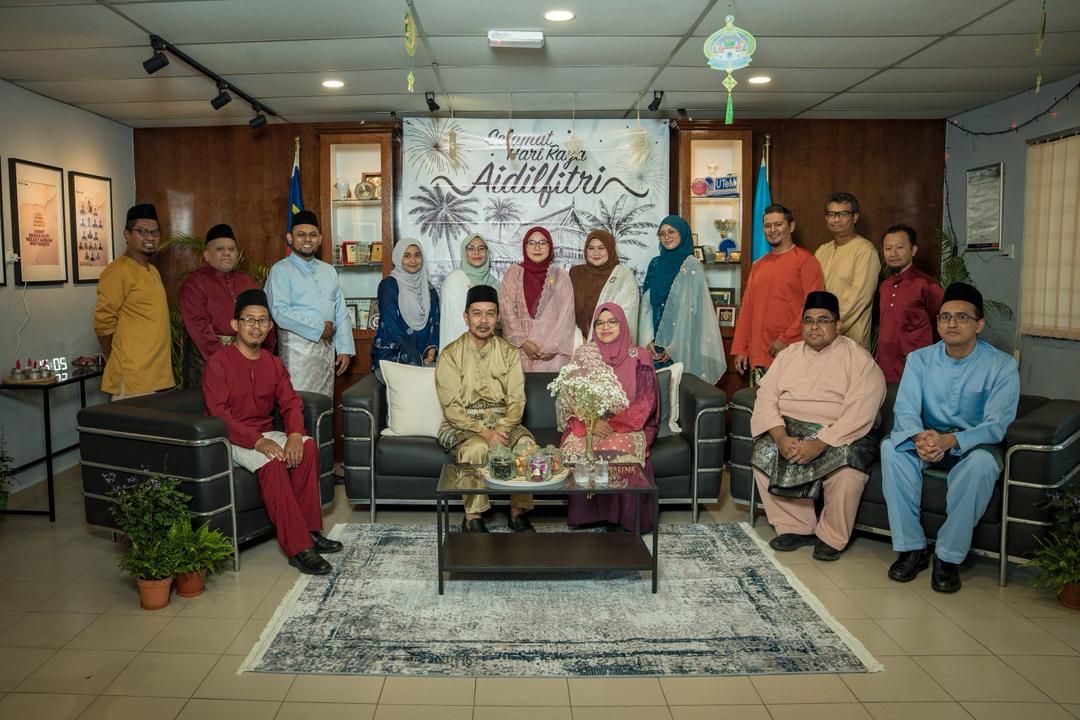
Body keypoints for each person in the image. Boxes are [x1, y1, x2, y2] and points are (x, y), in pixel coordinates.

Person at [882, 282, 1019, 593]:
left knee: (982, 465)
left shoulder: (1002, 366)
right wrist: (920, 438)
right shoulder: (920, 359)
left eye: (961, 317)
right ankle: (911, 548)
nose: (952, 323)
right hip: (928, 441)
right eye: (945, 317)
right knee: (891, 449)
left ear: (979, 324)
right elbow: (905, 409)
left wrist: (951, 441)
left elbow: (997, 425)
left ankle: (947, 556)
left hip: (973, 446)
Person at [202, 289, 342, 575]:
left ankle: (310, 531)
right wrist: (257, 441)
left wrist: (295, 435)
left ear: (269, 327)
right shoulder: (218, 364)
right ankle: (298, 549)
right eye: (249, 320)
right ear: (235, 324)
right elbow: (220, 415)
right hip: (233, 438)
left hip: (265, 432)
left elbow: (290, 402)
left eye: (263, 320)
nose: (256, 326)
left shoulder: (273, 362)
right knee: (273, 460)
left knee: (308, 447)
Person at [750, 291, 886, 561]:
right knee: (763, 452)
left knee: (847, 468)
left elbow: (861, 411)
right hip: (790, 429)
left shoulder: (858, 359)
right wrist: (779, 436)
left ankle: (831, 536)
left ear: (838, 325)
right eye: (809, 320)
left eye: (823, 320)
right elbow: (765, 397)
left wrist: (820, 443)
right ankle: (796, 527)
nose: (814, 327)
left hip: (840, 432)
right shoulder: (788, 355)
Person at [435, 285, 538, 533]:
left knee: (527, 446)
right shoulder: (450, 354)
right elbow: (451, 406)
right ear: (466, 317)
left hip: (504, 422)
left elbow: (517, 399)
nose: (483, 320)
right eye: (477, 313)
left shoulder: (509, 353)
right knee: (477, 448)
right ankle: (473, 516)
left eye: (490, 314)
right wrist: (484, 432)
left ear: (498, 318)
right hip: (462, 424)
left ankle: (518, 512)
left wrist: (501, 429)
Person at [560, 303, 659, 532]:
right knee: (578, 447)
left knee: (617, 448)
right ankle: (589, 516)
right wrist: (592, 423)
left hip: (629, 424)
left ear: (622, 324)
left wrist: (615, 424)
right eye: (600, 323)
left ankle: (623, 518)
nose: (606, 327)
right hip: (590, 422)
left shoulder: (639, 355)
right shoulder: (585, 354)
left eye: (612, 322)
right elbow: (571, 395)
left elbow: (646, 401)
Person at [732, 204, 825, 385]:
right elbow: (747, 309)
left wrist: (786, 339)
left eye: (778, 224)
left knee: (790, 401)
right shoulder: (758, 265)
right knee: (759, 402)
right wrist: (741, 348)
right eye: (768, 226)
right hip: (759, 354)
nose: (772, 230)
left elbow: (813, 308)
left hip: (792, 351)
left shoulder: (806, 261)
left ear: (791, 226)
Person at [265, 210, 353, 398]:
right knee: (299, 403)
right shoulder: (281, 270)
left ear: (320, 239)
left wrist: (345, 348)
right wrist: (319, 327)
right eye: (301, 234)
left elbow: (340, 311)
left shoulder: (329, 271)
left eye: (313, 235)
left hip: (326, 351)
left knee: (325, 402)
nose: (307, 239)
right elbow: (279, 311)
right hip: (297, 354)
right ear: (290, 238)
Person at [178, 223, 274, 388]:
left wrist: (262, 358)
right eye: (220, 249)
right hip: (207, 360)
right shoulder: (194, 283)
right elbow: (199, 328)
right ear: (206, 255)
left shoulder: (246, 281)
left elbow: (265, 320)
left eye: (231, 249)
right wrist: (229, 363)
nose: (227, 253)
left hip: (248, 359)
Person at [93, 203, 173, 400]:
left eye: (155, 232)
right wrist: (113, 359)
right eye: (142, 232)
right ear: (127, 234)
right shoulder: (118, 271)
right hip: (133, 378)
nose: (150, 237)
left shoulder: (152, 270)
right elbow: (103, 322)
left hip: (158, 377)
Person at [639, 215, 726, 384]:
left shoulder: (692, 265)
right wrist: (647, 339)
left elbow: (694, 312)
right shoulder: (655, 264)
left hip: (682, 341)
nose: (666, 237)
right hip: (654, 344)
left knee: (678, 390)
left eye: (671, 232)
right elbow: (647, 304)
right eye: (662, 234)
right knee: (655, 390)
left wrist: (675, 346)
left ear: (683, 233)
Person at [499, 226, 576, 372]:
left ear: (550, 247)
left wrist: (552, 347)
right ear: (524, 247)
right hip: (519, 350)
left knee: (551, 386)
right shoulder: (513, 274)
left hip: (553, 355)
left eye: (542, 243)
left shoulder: (560, 277)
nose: (537, 247)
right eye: (531, 243)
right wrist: (523, 342)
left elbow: (567, 316)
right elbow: (506, 311)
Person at [875, 224, 944, 384]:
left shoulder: (928, 285)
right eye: (888, 248)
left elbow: (940, 330)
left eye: (900, 247)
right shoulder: (884, 286)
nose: (893, 253)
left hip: (916, 370)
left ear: (913, 250)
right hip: (885, 369)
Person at [814, 192, 880, 350]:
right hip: (820, 336)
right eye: (831, 214)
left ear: (855, 217)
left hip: (851, 340)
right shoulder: (822, 251)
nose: (836, 219)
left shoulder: (865, 251)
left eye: (843, 214)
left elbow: (859, 300)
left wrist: (829, 326)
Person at [371, 239, 440, 374]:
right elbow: (390, 326)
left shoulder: (429, 290)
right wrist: (414, 359)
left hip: (424, 359)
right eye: (407, 256)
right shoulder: (389, 286)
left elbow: (435, 325)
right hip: (392, 358)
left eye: (417, 255)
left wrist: (430, 356)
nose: (413, 260)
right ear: (398, 258)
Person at [569, 228, 640, 343]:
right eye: (591, 248)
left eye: (601, 248)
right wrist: (579, 339)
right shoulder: (576, 274)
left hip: (611, 344)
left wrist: (598, 343)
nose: (596, 253)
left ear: (610, 249)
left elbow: (628, 316)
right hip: (576, 343)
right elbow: (565, 312)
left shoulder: (623, 276)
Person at [439, 234, 499, 350]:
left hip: (490, 350)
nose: (476, 252)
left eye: (481, 248)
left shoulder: (494, 284)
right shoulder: (454, 281)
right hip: (460, 350)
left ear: (487, 252)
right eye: (471, 248)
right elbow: (453, 326)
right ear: (464, 252)